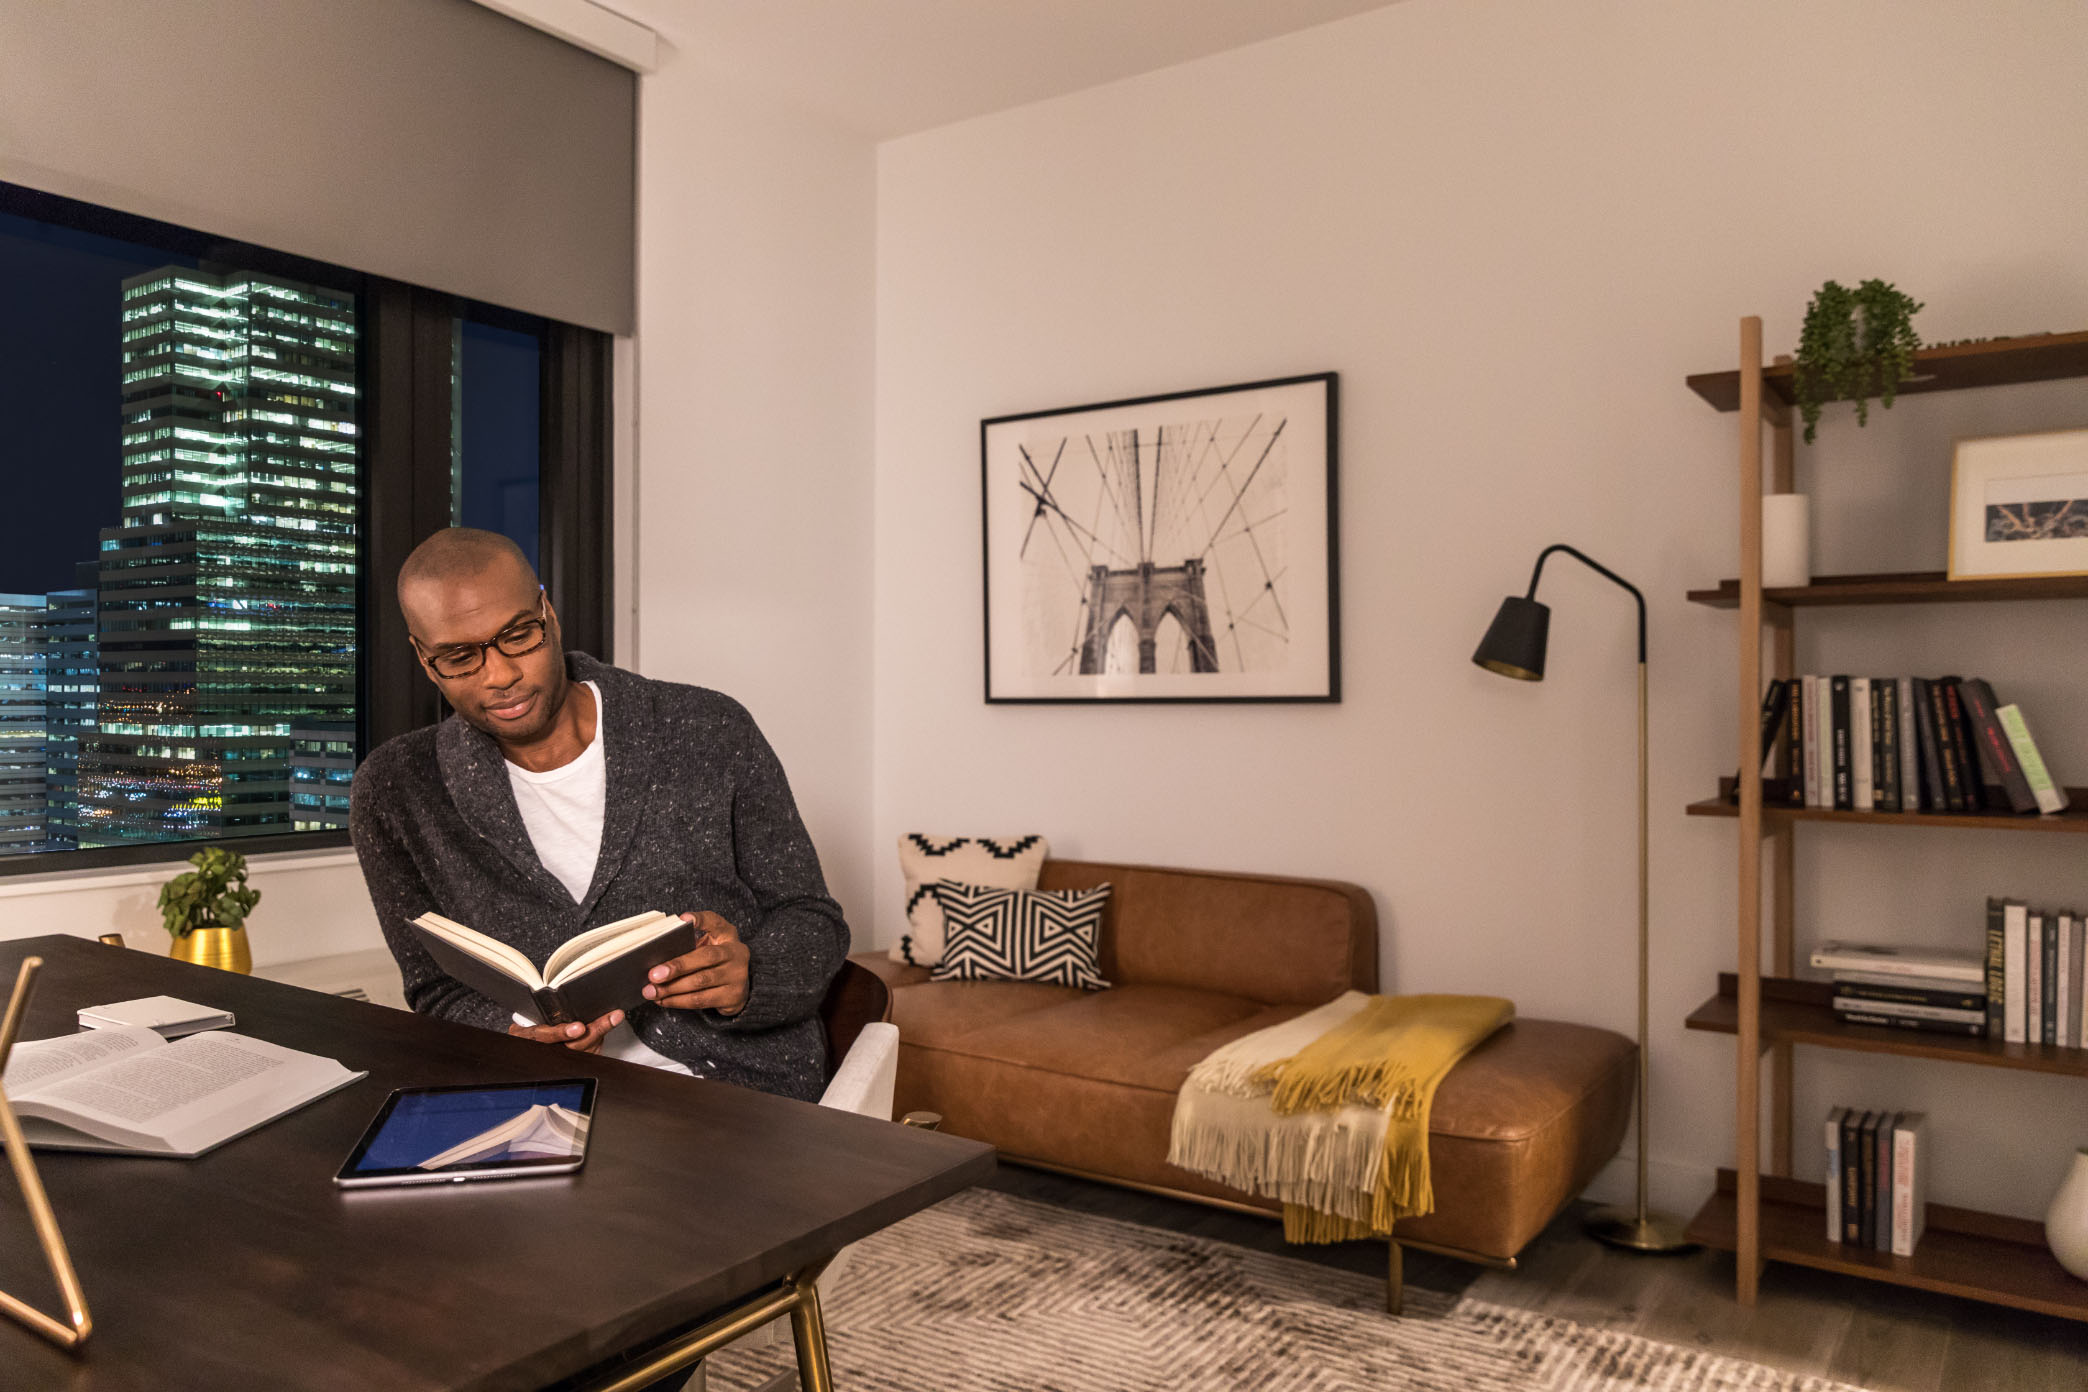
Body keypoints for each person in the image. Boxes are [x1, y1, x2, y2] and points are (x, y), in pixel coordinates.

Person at [350, 527, 848, 1102]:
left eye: (517, 635)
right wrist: (514, 1035)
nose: (500, 674)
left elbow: (812, 918)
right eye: (460, 657)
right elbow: (435, 990)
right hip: (543, 1099)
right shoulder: (395, 790)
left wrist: (750, 979)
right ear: (423, 658)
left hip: (738, 1095)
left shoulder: (707, 729)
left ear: (548, 612)